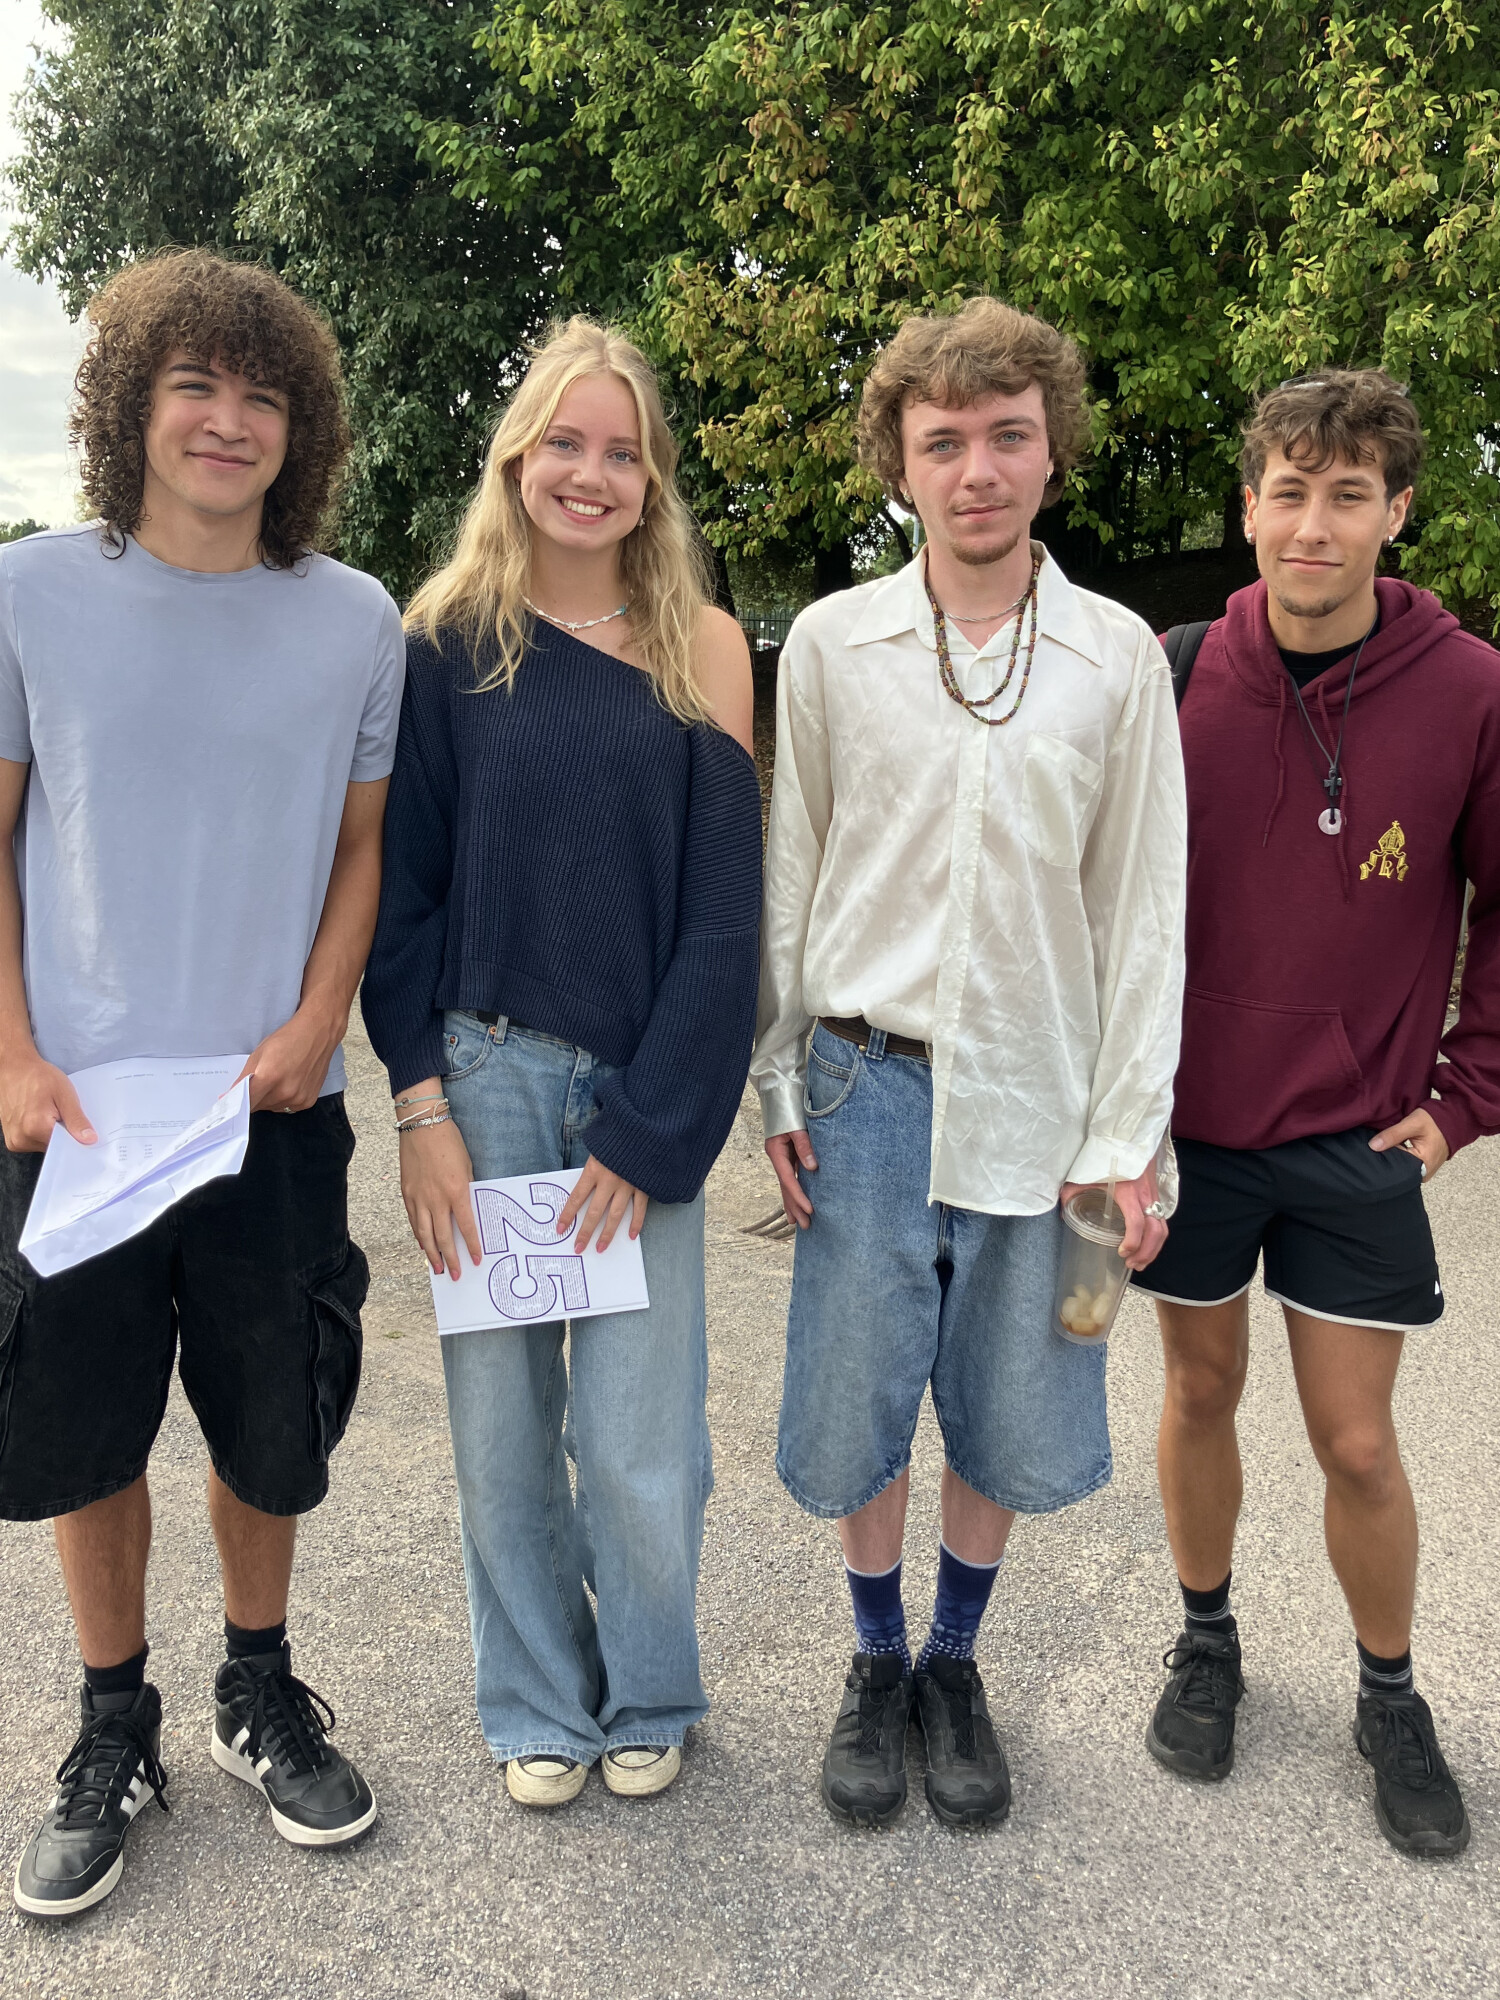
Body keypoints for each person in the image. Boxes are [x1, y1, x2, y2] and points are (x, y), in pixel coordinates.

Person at [2, 250, 404, 1917]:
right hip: (80, 1120)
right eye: (195, 385)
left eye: (263, 395)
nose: (229, 420)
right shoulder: (30, 593)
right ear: (130, 405)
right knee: (86, 1433)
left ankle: (258, 1685)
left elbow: (362, 852)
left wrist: (320, 1022)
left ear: (301, 427)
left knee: (267, 1422)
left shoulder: (356, 619)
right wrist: (12, 1054)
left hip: (269, 1108)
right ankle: (116, 1725)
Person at [753, 298, 1187, 1828]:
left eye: (1008, 435)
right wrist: (775, 1076)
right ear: (902, 464)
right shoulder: (833, 646)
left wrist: (1128, 1139)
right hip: (862, 1084)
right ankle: (876, 1659)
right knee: (860, 1397)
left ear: (1052, 453)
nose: (978, 469)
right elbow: (793, 871)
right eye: (943, 441)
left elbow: (1143, 909)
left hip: (1046, 1099)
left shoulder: (1117, 659)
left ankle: (954, 1660)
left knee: (1013, 1397)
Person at [362, 317, 761, 1809]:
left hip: (645, 1088)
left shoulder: (703, 648)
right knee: (504, 1429)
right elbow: (401, 901)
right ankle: (535, 1699)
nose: (591, 475)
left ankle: (651, 1688)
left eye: (623, 452)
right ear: (517, 457)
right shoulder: (445, 645)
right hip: (487, 1084)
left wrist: (653, 1129)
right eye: (565, 444)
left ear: (653, 480)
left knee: (644, 1434)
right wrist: (420, 1108)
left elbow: (724, 920)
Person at [1132, 369, 1500, 1857]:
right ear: (1249, 508)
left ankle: (1390, 1695)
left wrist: (1468, 1096)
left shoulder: (1469, 690)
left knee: (1355, 1443)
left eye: (1349, 495)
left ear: (1397, 511)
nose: (1314, 525)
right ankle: (1206, 1640)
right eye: (1289, 492)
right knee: (1198, 1394)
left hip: (1356, 1139)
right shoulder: (1170, 675)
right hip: (1195, 1133)